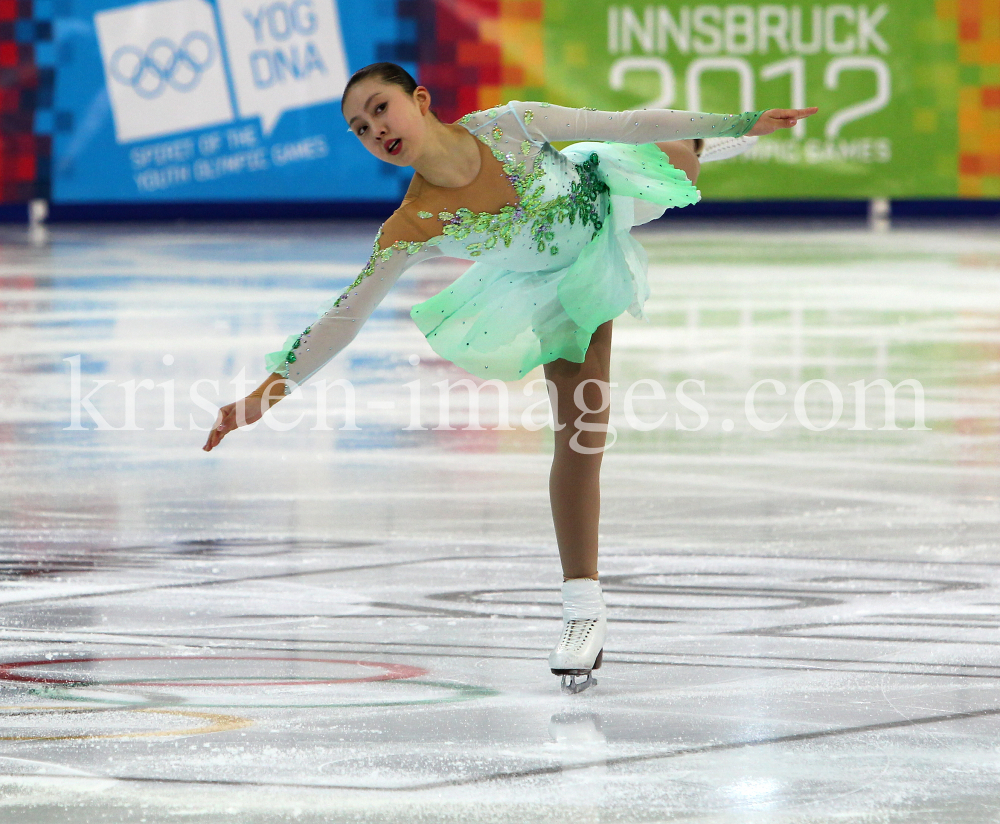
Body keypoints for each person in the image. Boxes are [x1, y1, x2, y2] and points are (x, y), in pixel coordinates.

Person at [202, 61, 818, 693]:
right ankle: (583, 612)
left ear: (419, 99)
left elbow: (628, 121)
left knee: (672, 159)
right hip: (557, 281)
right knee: (582, 437)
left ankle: (703, 144)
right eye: (360, 128)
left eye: (381, 108)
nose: (375, 129)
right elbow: (345, 317)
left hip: (604, 188)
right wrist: (260, 398)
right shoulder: (412, 225)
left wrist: (741, 120)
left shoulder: (513, 125)